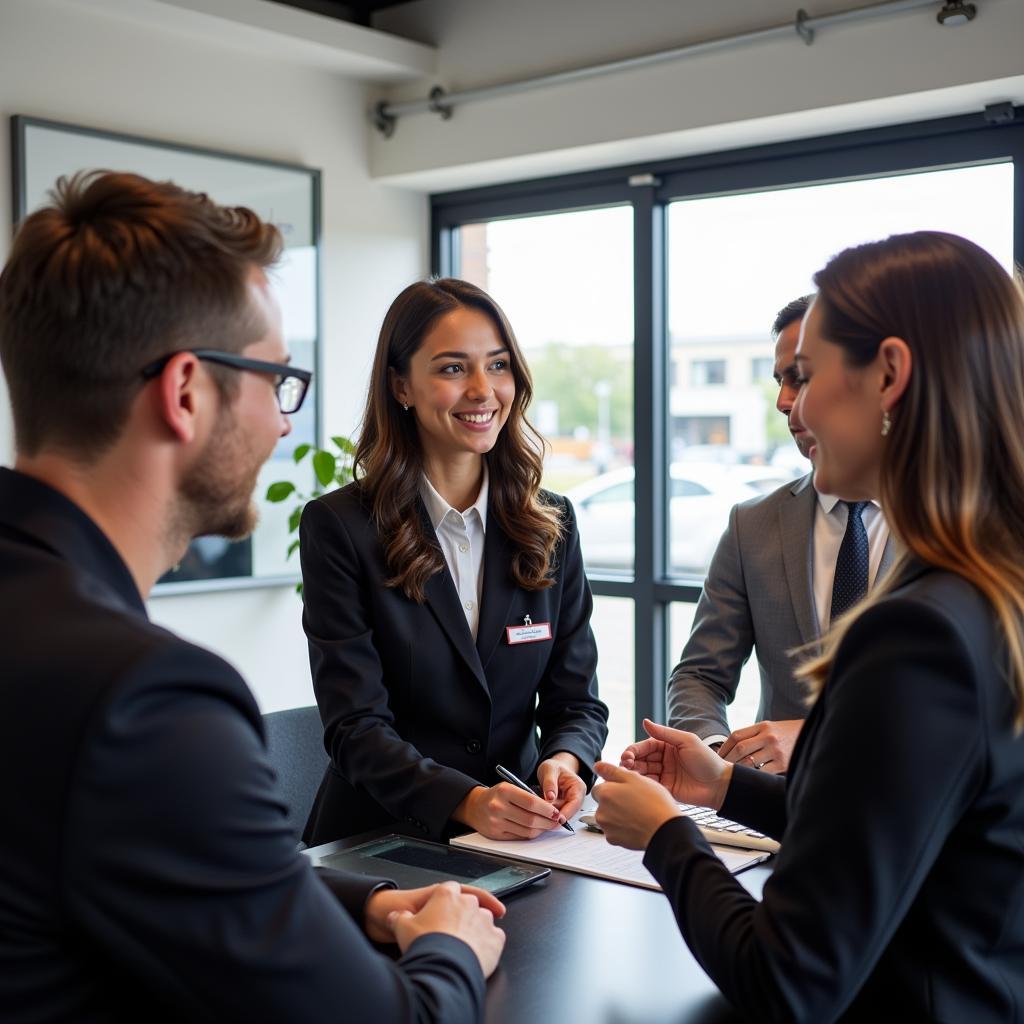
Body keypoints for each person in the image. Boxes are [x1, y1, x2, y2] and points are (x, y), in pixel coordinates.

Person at [0, 171, 506, 1023]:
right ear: (188, 391)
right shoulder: (144, 699)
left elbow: (133, 879)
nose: (282, 422)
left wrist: (366, 903)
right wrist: (454, 945)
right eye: (276, 381)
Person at [593, 231, 1024, 1020]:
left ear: (889, 374)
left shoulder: (916, 636)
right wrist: (726, 786)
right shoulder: (995, 584)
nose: (797, 405)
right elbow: (899, 819)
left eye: (811, 373)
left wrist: (665, 836)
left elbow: (788, 982)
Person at [300, 278, 608, 845]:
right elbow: (355, 727)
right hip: (382, 842)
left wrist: (566, 761)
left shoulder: (551, 523)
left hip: (523, 839)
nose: (482, 390)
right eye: (451, 369)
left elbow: (577, 701)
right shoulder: (341, 527)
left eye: (497, 366)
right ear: (401, 386)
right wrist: (466, 802)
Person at [667, 295, 894, 773]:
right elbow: (699, 676)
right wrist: (717, 761)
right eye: (781, 381)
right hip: (771, 808)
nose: (784, 402)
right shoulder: (751, 525)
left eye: (802, 378)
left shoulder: (959, 526)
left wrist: (814, 738)